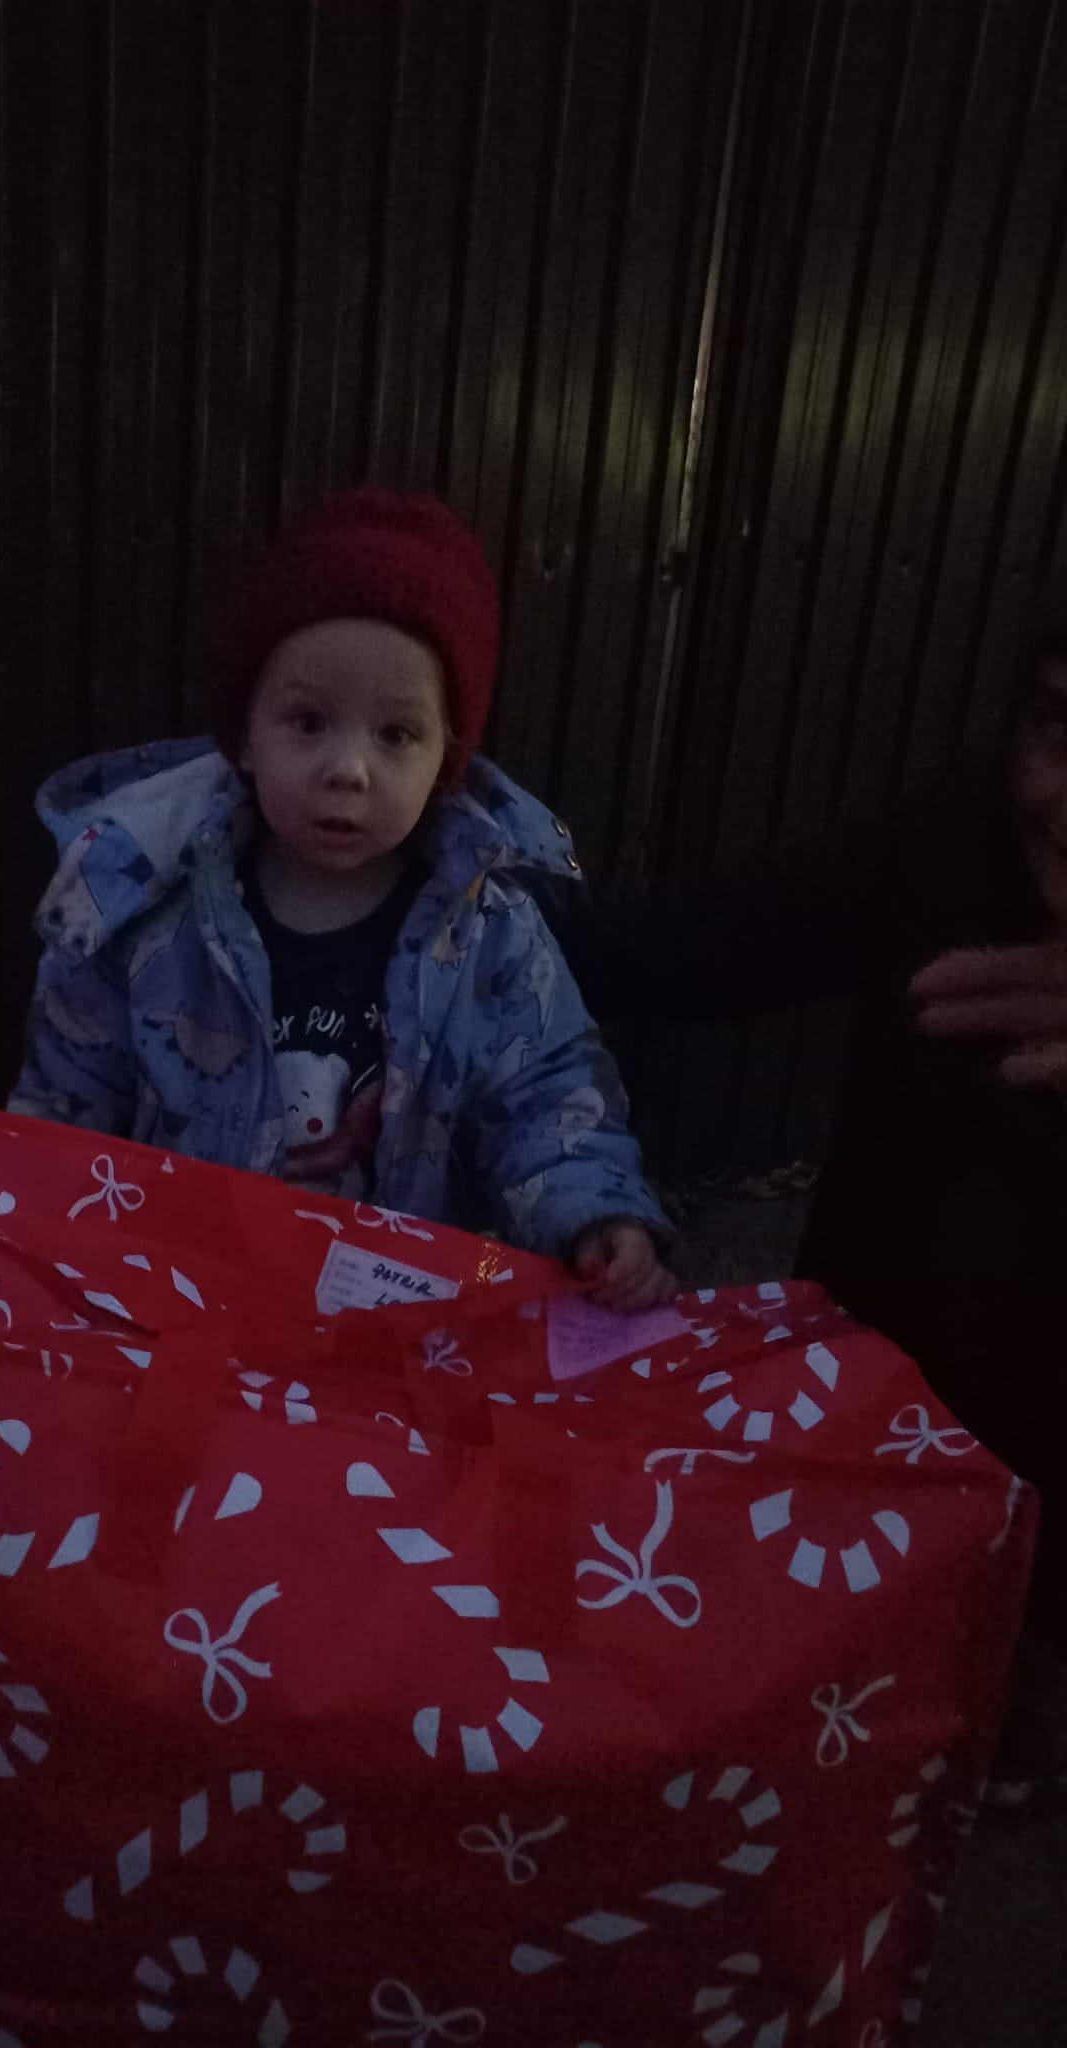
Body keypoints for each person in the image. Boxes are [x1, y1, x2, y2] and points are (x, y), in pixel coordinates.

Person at [549, 572, 1067, 1784]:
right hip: (877, 1389)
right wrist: (457, 885)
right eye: (1057, 727)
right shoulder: (950, 841)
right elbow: (704, 939)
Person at [10, 487, 676, 1309]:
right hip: (175, 1302)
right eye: (308, 722)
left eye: (396, 734)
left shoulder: (488, 932)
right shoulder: (139, 911)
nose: (348, 769)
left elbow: (544, 1096)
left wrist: (594, 1214)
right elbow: (65, 1110)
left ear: (446, 759)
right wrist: (42, 1263)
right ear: (243, 737)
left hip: (395, 1322)